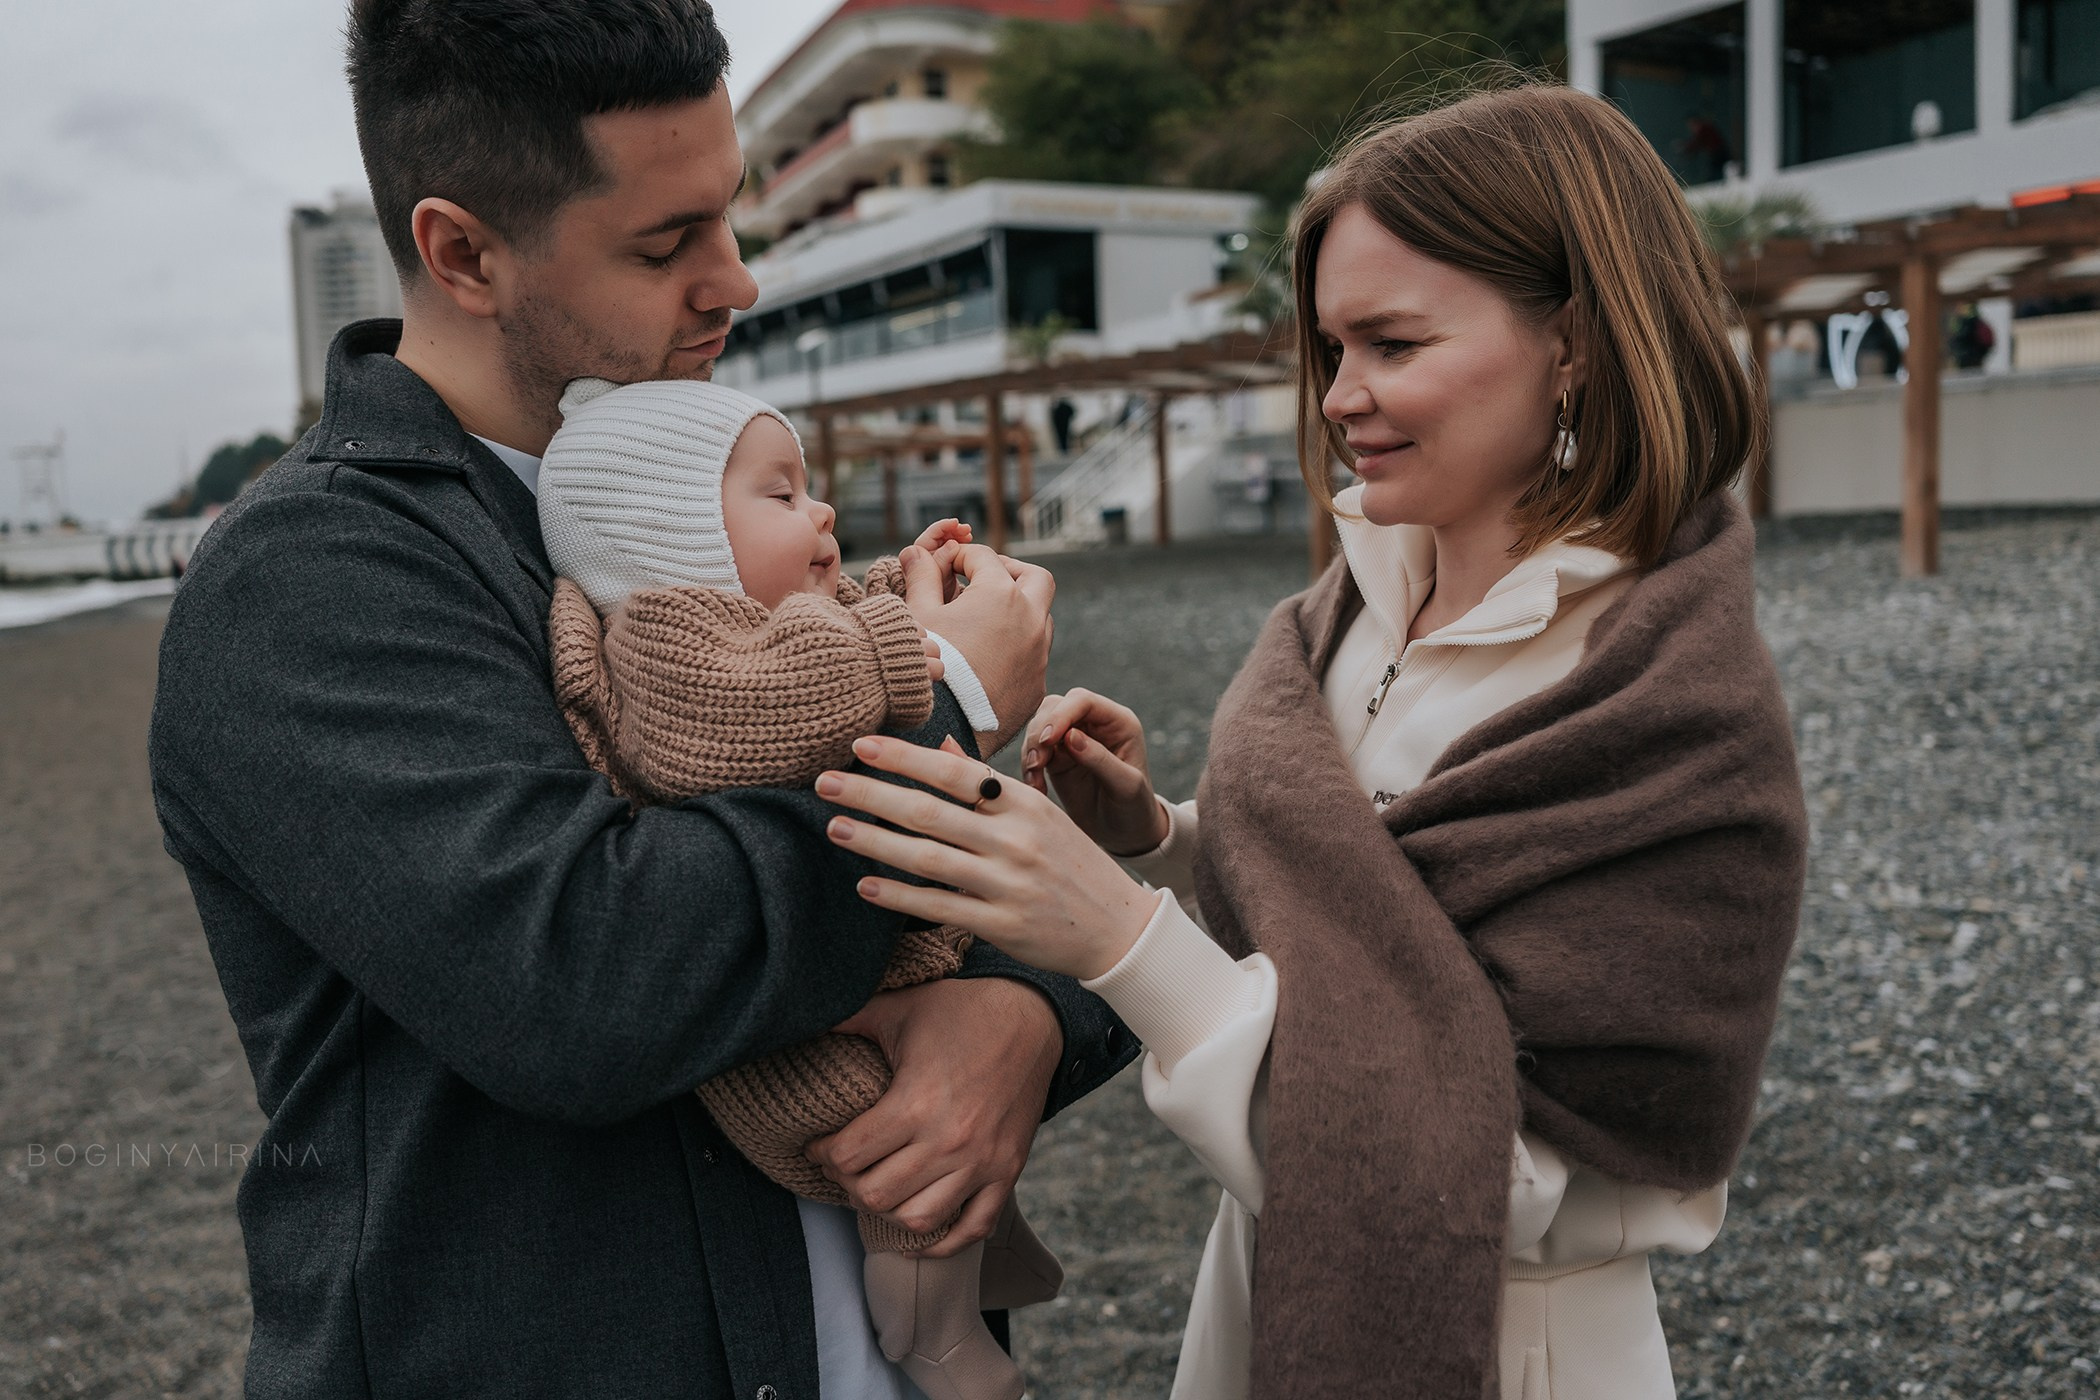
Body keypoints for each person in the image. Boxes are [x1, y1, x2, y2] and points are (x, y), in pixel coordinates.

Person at [147, 3, 1133, 1397]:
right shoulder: (307, 583)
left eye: (725, 220)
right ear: (462, 251)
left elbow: (1036, 908)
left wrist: (1029, 1021)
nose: (733, 283)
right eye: (666, 245)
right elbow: (589, 979)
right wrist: (953, 699)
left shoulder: (730, 497)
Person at [810, 84, 1810, 1399]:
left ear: (1573, 343)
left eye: (1393, 344)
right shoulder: (1361, 598)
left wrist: (1118, 932)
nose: (1342, 398)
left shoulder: (1664, 708)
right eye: (1330, 348)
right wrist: (1166, 837)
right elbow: (1386, 914)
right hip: (1272, 1296)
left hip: (1513, 1345)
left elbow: (1505, 1178)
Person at [537, 375, 1063, 1400]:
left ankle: (964, 1279)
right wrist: (946, 664)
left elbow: (835, 650)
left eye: (807, 488)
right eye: (780, 497)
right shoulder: (667, 639)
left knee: (932, 1164)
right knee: (899, 1169)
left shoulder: (760, 618)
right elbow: (792, 700)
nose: (818, 510)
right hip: (800, 1051)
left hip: (849, 969)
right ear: (673, 538)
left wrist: (898, 591)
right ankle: (937, 1333)